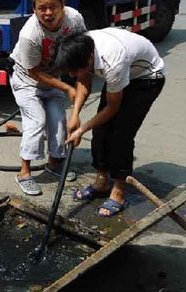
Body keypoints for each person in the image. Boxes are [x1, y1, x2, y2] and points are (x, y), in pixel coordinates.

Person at [54, 28, 165, 217]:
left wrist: (81, 129)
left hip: (146, 78)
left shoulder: (111, 62)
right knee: (101, 131)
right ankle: (102, 181)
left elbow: (112, 108)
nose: (72, 75)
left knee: (121, 134)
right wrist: (75, 115)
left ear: (89, 59)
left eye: (74, 70)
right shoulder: (81, 49)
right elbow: (83, 81)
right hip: (124, 73)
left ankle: (119, 191)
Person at [9, 0, 86, 196]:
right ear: (34, 10)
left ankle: (54, 164)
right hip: (27, 82)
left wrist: (79, 82)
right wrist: (67, 88)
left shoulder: (74, 19)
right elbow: (34, 73)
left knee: (58, 121)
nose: (48, 13)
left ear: (63, 3)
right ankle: (24, 173)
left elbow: (81, 49)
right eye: (42, 8)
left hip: (53, 78)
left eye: (53, 6)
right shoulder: (29, 35)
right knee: (36, 121)